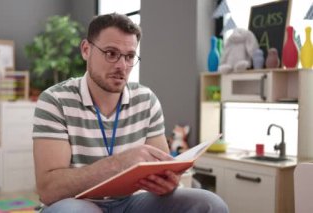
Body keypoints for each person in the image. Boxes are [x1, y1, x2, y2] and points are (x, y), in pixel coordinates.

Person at [32, 13, 229, 213]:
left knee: (211, 204)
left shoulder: (146, 100)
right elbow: (49, 190)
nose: (122, 66)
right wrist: (119, 163)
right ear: (86, 50)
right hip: (79, 202)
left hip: (134, 202)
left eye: (130, 56)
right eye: (111, 53)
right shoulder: (55, 101)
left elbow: (163, 169)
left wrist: (168, 181)